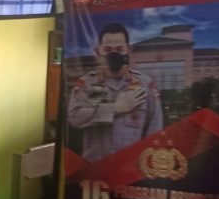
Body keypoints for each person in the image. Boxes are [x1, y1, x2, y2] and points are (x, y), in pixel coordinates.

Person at [68, 22, 163, 162]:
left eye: (119, 49)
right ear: (97, 51)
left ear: (129, 50)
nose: (114, 54)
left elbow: (154, 131)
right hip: (95, 169)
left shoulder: (145, 85)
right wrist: (114, 108)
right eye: (108, 49)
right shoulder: (86, 84)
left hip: (130, 169)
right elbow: (75, 118)